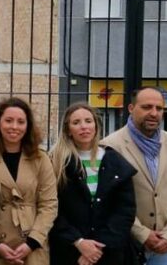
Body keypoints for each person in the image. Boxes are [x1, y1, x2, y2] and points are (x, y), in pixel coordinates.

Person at [102, 87, 167, 265]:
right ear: (130, 108)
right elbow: (109, 199)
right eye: (147, 107)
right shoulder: (110, 146)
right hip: (127, 243)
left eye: (159, 108)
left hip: (166, 245)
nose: (154, 113)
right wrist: (142, 233)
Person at [0, 97, 58, 265]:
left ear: (28, 126)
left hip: (32, 249)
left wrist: (32, 243)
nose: (14, 127)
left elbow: (49, 205)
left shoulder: (41, 159)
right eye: (8, 121)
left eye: (21, 122)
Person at [49, 103, 137, 265]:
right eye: (76, 123)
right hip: (68, 252)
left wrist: (96, 249)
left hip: (109, 253)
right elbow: (51, 208)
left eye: (88, 121)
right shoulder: (56, 163)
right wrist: (79, 242)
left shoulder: (114, 160)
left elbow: (125, 210)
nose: (84, 127)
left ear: (96, 126)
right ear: (68, 130)